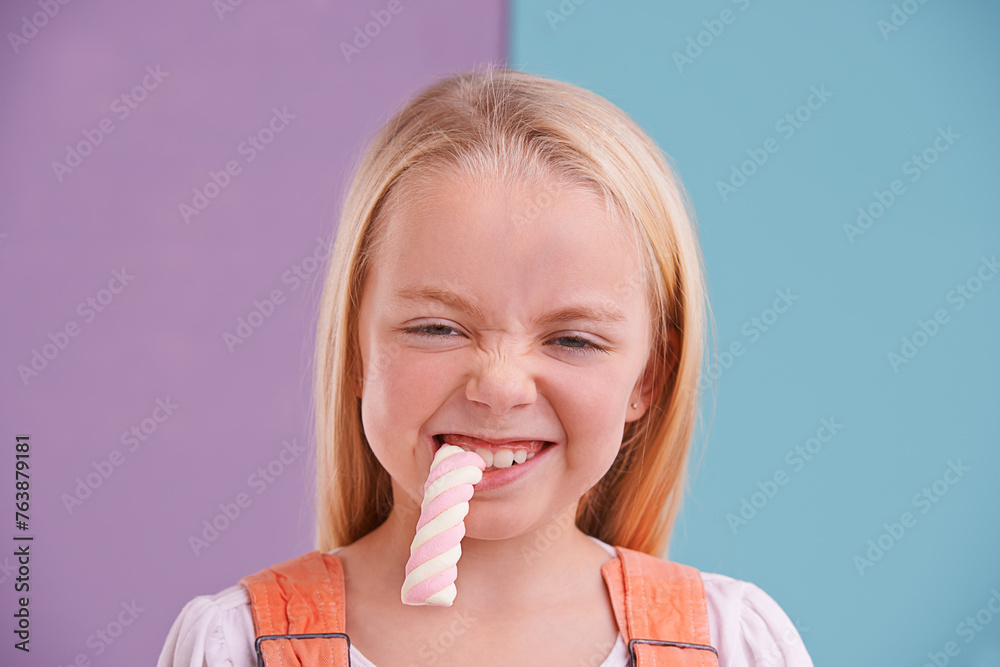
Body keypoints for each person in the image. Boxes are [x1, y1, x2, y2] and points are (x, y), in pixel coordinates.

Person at [158, 66, 815, 666]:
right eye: (438, 328)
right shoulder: (234, 644)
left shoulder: (736, 643)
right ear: (357, 348)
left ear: (648, 376)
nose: (499, 386)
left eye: (573, 340)